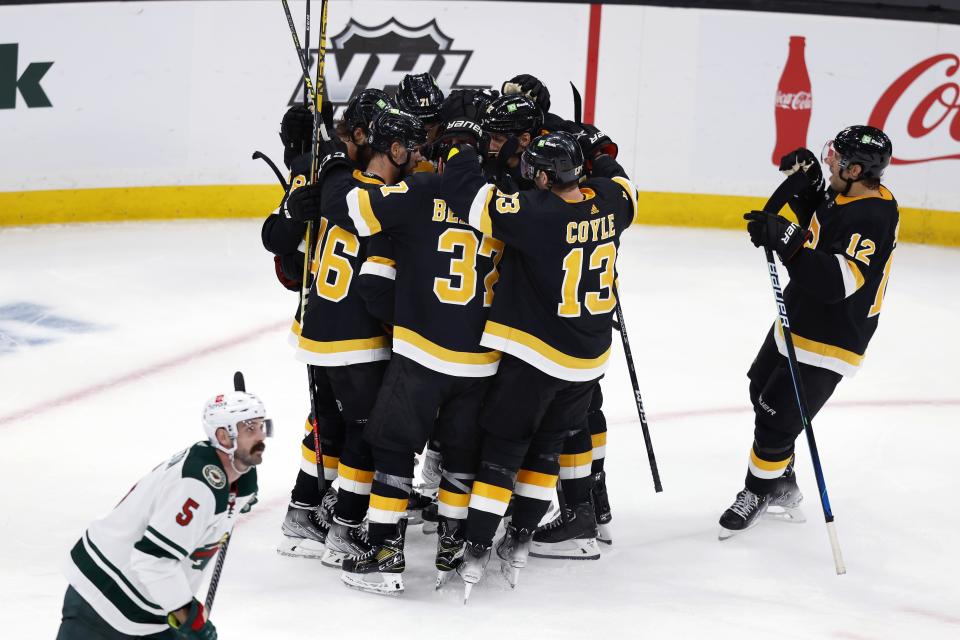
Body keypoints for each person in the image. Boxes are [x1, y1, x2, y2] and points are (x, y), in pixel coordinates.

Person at [440, 129, 641, 599]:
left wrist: (461, 151)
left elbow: (469, 199)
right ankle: (522, 539)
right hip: (588, 362)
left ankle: (474, 549)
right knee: (546, 452)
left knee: (503, 453)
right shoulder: (611, 202)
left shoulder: (537, 213)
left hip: (536, 358)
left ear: (549, 177)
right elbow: (622, 180)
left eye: (538, 171)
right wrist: (597, 153)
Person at [719, 125, 899, 538]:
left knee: (777, 422)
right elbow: (823, 224)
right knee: (760, 390)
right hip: (801, 314)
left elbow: (838, 281)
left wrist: (785, 238)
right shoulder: (847, 194)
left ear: (856, 170)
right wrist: (808, 190)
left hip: (833, 336)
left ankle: (757, 491)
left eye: (836, 160)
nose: (830, 161)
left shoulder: (873, 215)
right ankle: (780, 481)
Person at [284, 107, 424, 568]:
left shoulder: (336, 189)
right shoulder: (385, 203)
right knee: (368, 435)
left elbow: (296, 250)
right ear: (396, 150)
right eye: (416, 150)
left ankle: (301, 514)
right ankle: (345, 530)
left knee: (327, 424)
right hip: (356, 339)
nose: (421, 158)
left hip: (316, 328)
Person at [57, 389, 269, 639]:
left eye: (262, 426)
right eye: (250, 429)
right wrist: (189, 616)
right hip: (103, 599)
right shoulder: (197, 486)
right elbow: (153, 560)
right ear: (224, 436)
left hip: (145, 607)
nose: (262, 437)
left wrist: (237, 497)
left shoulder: (227, 474)